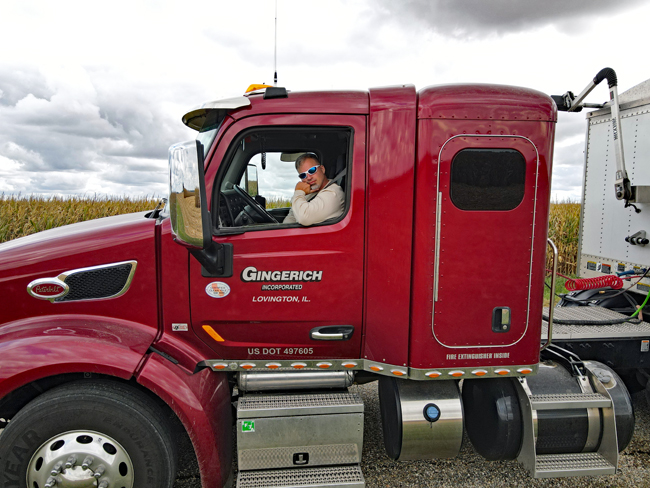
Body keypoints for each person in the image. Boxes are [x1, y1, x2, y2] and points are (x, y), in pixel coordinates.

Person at [283, 153, 345, 226]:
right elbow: (290, 218)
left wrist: (299, 191)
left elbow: (304, 218)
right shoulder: (310, 193)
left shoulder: (334, 193)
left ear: (322, 169)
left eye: (312, 170)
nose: (308, 178)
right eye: (303, 175)